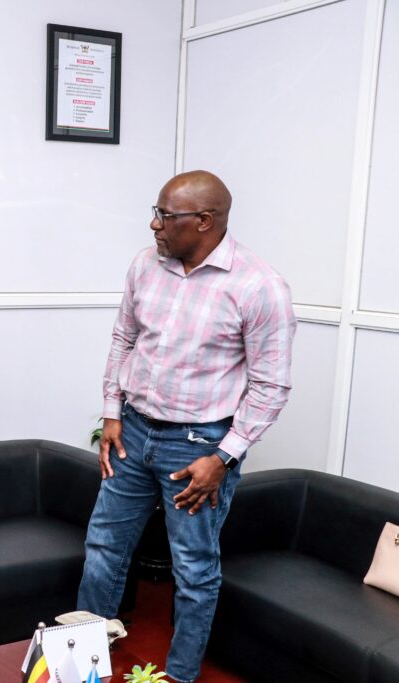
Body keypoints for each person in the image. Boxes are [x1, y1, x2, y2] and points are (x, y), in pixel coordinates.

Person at [77, 170, 297, 683]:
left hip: (198, 448)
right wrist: (112, 412)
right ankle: (82, 663)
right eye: (154, 212)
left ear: (204, 221)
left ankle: (179, 676)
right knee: (104, 548)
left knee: (194, 570)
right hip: (132, 431)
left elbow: (272, 387)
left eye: (164, 216)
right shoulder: (145, 265)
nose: (153, 225)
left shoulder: (259, 286)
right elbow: (123, 340)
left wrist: (224, 458)